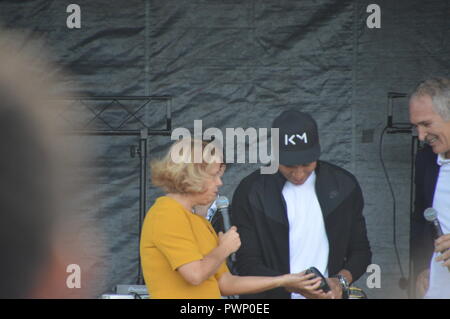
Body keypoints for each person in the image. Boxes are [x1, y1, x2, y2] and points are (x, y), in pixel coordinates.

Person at [140, 138, 326, 299]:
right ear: (191, 176)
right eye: (213, 176)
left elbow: (225, 283)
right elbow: (195, 274)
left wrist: (283, 280)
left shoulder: (198, 220)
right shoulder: (166, 213)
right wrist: (224, 249)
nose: (219, 183)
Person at [231, 110, 372, 299]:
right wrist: (289, 284)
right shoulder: (251, 190)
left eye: (306, 164)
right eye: (289, 165)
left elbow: (360, 250)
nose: (298, 174)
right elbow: (246, 262)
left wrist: (340, 282)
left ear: (318, 150)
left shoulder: (344, 184)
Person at [409, 77, 450, 298]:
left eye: (426, 124)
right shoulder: (426, 161)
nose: (421, 136)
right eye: (416, 126)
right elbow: (421, 218)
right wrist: (423, 267)